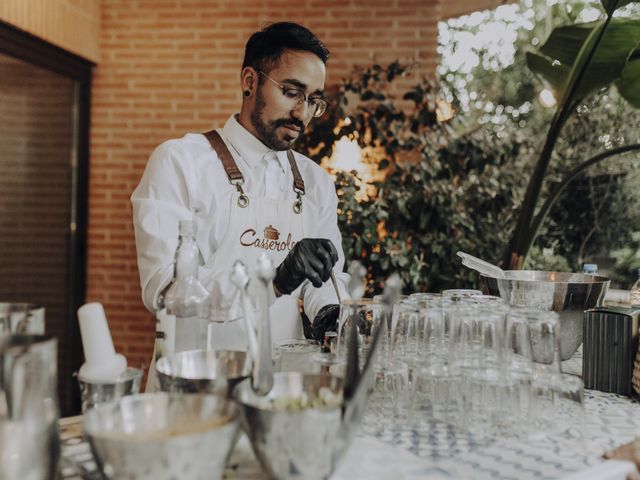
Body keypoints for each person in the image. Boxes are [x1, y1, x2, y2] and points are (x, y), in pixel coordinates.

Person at [131, 22, 348, 347]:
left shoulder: (315, 182)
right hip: (198, 383)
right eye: (291, 92)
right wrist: (274, 282)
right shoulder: (180, 162)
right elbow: (164, 289)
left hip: (284, 388)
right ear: (250, 81)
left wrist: (329, 310)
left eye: (313, 100)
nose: (301, 113)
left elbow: (324, 279)